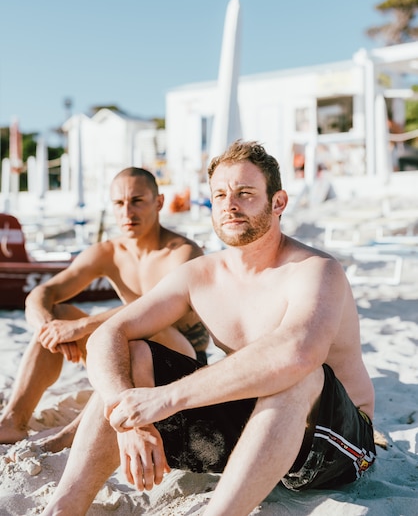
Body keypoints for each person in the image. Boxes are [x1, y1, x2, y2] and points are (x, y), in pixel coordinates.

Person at [41, 140, 376, 516]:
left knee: (299, 374)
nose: (230, 205)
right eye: (220, 195)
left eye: (245, 194)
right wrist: (128, 416)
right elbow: (109, 333)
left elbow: (297, 353)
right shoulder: (200, 275)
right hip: (255, 432)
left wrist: (164, 400)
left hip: (333, 444)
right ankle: (63, 508)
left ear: (278, 202)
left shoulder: (315, 270)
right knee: (133, 356)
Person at [0, 167, 207, 452]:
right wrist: (48, 328)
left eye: (137, 201)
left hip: (183, 363)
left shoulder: (182, 252)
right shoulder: (108, 252)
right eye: (119, 203)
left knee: (139, 334)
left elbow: (154, 307)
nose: (127, 212)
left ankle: (74, 434)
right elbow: (42, 293)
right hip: (122, 351)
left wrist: (81, 328)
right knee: (60, 315)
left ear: (158, 203)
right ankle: (13, 420)